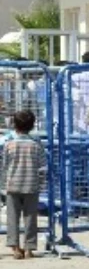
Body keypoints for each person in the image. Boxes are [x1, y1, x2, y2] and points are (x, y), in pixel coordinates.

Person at [3, 110, 46, 259]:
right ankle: (29, 248)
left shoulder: (9, 144)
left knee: (12, 218)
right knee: (30, 218)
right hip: (31, 185)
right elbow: (42, 166)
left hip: (12, 185)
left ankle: (15, 248)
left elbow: (4, 165)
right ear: (33, 125)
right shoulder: (36, 144)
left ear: (14, 125)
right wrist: (41, 183)